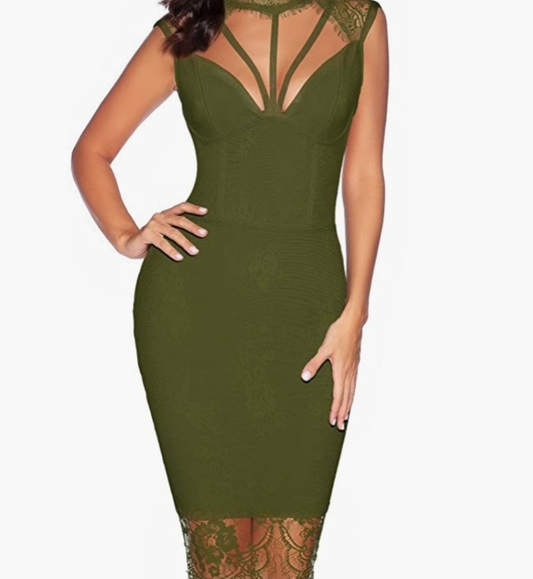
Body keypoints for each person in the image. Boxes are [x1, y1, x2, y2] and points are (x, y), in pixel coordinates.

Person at [71, 0, 388, 576]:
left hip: (309, 315)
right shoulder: (188, 28)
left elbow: (364, 173)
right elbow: (92, 150)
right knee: (220, 563)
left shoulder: (358, 20)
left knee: (286, 564)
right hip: (195, 316)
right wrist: (127, 234)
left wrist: (355, 315)